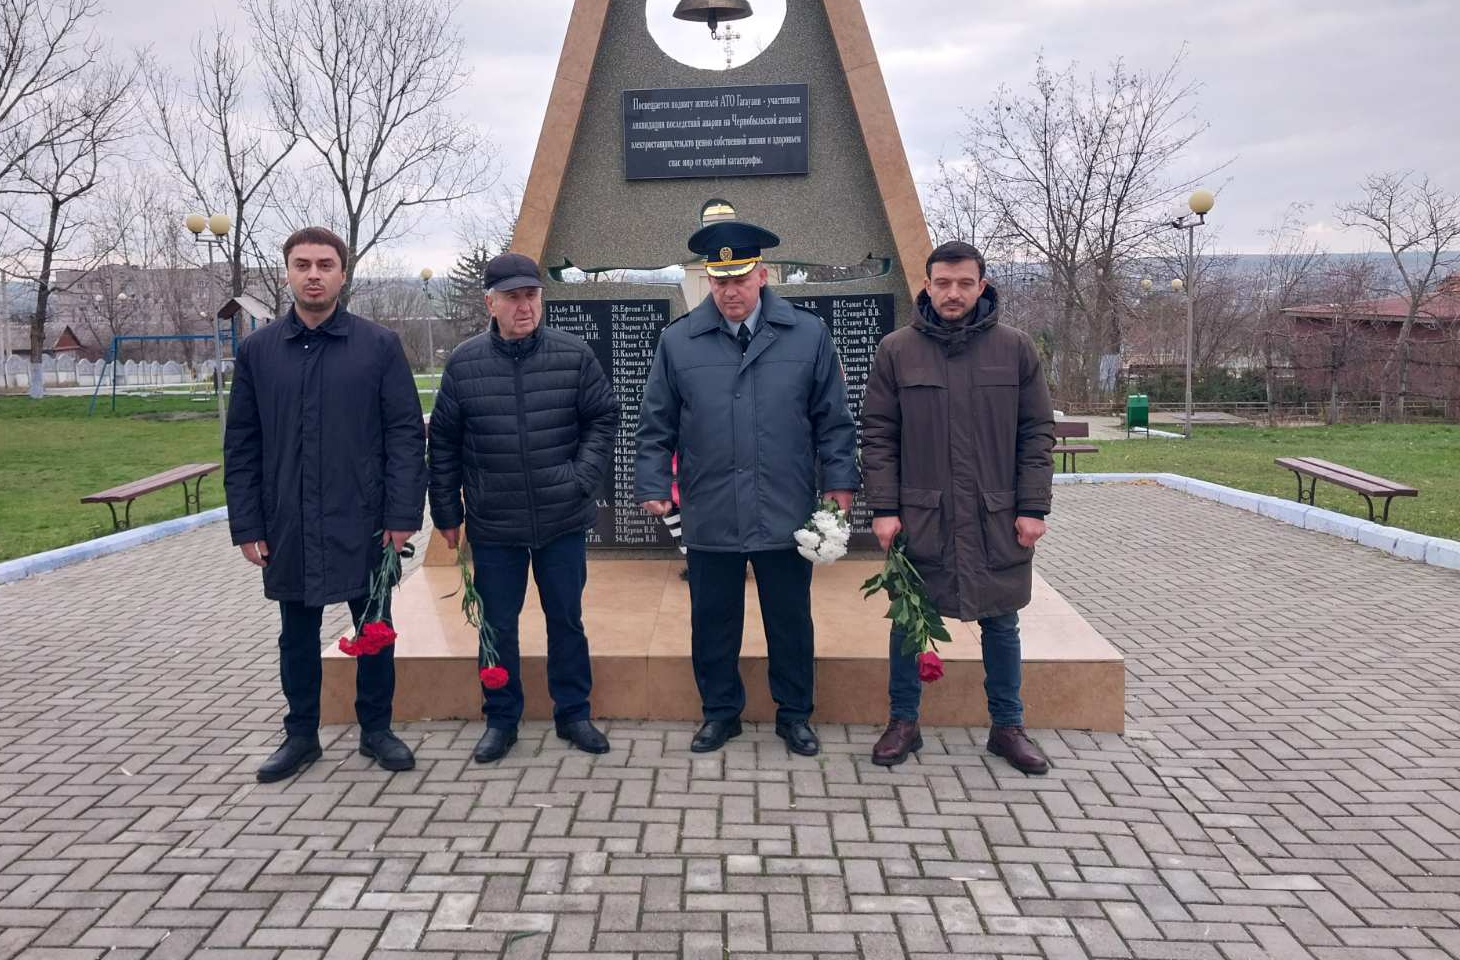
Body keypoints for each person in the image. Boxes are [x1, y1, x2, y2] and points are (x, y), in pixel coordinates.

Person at [635, 200, 858, 756]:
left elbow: (833, 420)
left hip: (784, 507)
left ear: (762, 274)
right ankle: (719, 713)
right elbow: (656, 423)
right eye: (719, 280)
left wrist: (840, 484)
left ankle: (795, 714)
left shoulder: (807, 336)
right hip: (711, 506)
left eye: (739, 278)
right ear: (708, 279)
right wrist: (654, 484)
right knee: (713, 620)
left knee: (790, 620)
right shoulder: (679, 341)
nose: (729, 290)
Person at [225, 226, 428, 783]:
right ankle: (301, 736)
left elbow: (405, 435)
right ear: (287, 272)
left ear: (343, 273)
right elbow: (242, 444)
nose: (313, 275)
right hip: (288, 523)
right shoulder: (259, 352)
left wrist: (402, 516)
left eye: (324, 264)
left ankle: (377, 730)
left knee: (375, 630)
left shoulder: (378, 346)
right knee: (296, 635)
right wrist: (247, 524)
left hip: (364, 521)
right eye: (302, 264)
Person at [860, 239, 1055, 773]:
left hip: (996, 516)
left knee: (1002, 623)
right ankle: (903, 722)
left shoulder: (1015, 349)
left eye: (965, 283)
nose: (953, 293)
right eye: (943, 283)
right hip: (923, 517)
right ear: (927, 285)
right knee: (908, 622)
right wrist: (884, 507)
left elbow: (1037, 433)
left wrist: (1033, 506)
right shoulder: (897, 350)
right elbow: (878, 435)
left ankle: (1008, 727)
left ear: (981, 285)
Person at [428, 252, 619, 764]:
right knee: (497, 626)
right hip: (494, 524)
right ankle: (501, 718)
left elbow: (603, 418)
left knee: (567, 620)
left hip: (561, 520)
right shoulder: (464, 363)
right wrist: (446, 512)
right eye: (512, 297)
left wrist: (580, 477)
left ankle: (573, 713)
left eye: (531, 295)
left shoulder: (573, 355)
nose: (524, 306)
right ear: (490, 303)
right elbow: (443, 444)